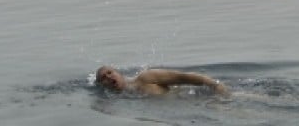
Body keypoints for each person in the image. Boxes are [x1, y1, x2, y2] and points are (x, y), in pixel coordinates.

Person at [95, 65, 230, 96]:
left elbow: (182, 77)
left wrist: (214, 84)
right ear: (101, 85)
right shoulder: (123, 97)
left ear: (119, 73)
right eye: (103, 78)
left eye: (110, 72)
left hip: (203, 98)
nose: (108, 77)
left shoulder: (145, 78)